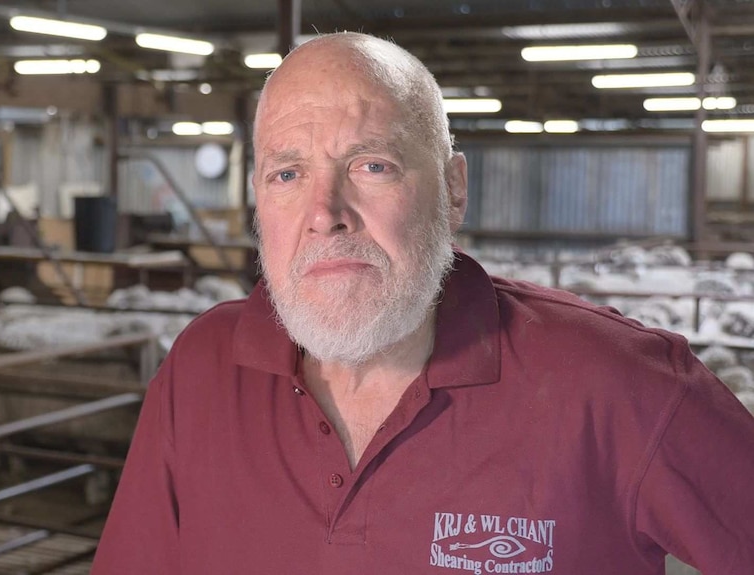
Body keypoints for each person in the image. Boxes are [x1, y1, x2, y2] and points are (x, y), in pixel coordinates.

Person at [92, 32, 754, 574]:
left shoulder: (615, 384)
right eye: (287, 174)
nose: (325, 214)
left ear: (454, 190)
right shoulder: (201, 371)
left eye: (372, 165)